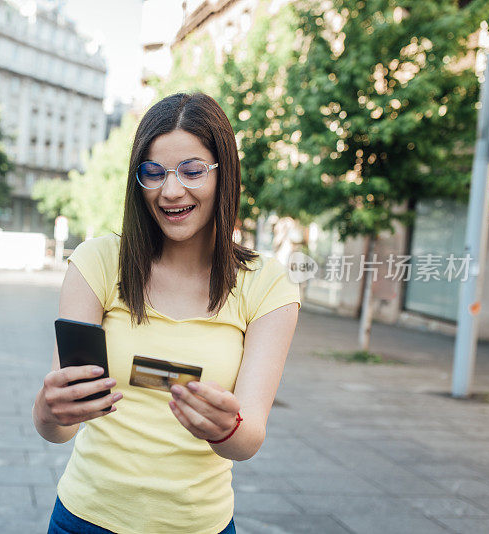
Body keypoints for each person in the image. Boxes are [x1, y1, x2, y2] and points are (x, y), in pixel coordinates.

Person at [32, 92, 301, 534]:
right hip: (85, 519)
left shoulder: (267, 284)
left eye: (192, 171)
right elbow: (58, 427)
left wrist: (225, 428)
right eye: (153, 174)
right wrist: (49, 409)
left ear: (224, 174)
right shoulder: (98, 261)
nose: (171, 191)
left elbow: (248, 439)